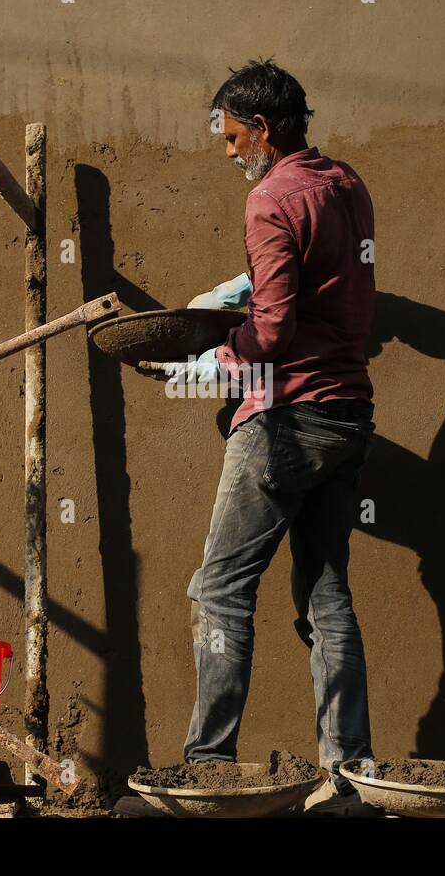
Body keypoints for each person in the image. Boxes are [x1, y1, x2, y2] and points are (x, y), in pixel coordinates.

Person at [142, 59, 379, 814]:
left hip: (283, 418)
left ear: (265, 129)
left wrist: (205, 362)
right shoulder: (346, 185)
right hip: (346, 414)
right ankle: (347, 776)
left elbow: (271, 332)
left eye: (233, 135)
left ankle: (209, 766)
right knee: (326, 595)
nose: (228, 150)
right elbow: (319, 287)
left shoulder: (270, 202)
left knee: (218, 591)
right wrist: (235, 294)